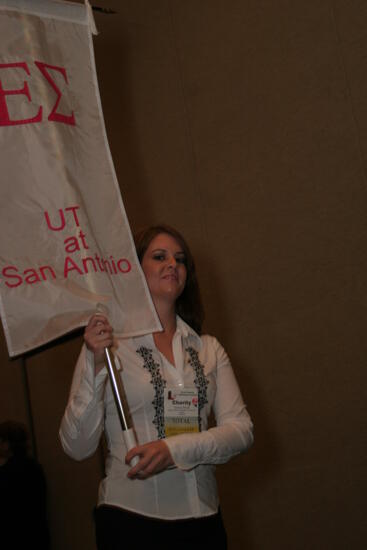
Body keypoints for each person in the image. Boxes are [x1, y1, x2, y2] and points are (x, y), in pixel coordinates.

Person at [59, 224, 253, 550]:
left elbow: (242, 431)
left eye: (180, 259)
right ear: (135, 270)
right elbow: (76, 447)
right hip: (130, 521)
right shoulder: (108, 345)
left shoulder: (208, 348)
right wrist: (95, 366)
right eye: (159, 256)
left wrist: (172, 450)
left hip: (204, 519)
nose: (172, 265)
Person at [0, 420, 50, 550]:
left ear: (6, 444)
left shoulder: (8, 472)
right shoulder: (34, 467)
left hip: (16, 537)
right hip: (37, 534)